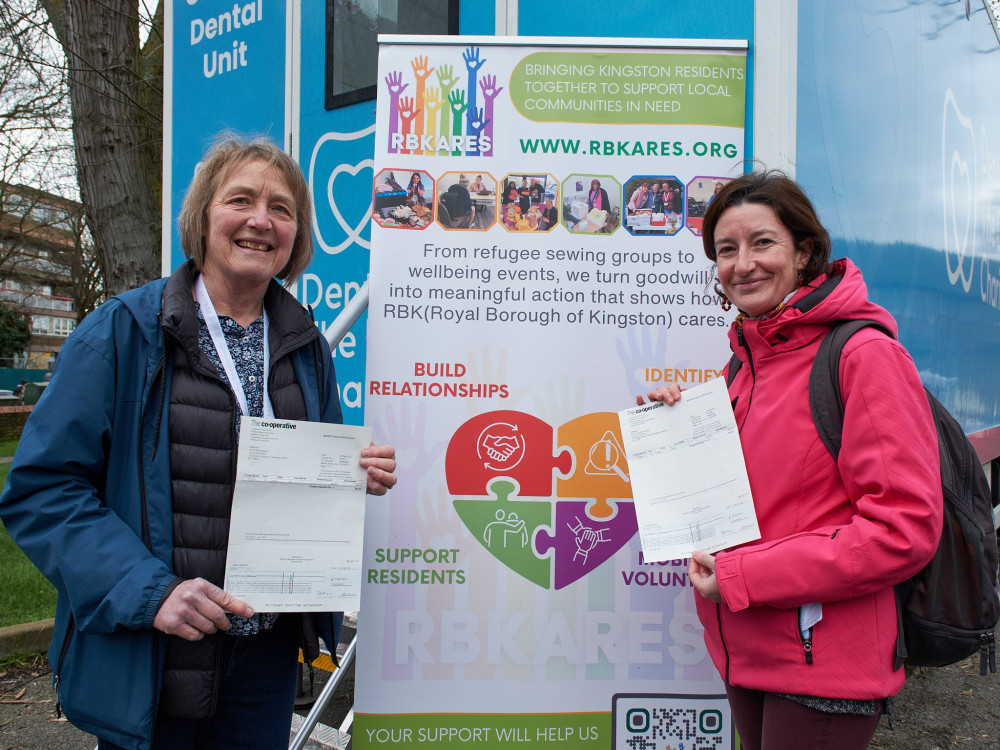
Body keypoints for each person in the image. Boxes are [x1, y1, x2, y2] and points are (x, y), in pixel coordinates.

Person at [0, 134, 398, 750]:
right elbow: (43, 490)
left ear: (295, 235)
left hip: (265, 660)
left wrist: (352, 475)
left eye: (282, 209)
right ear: (202, 217)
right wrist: (150, 592)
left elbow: (308, 486)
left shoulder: (306, 347)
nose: (261, 221)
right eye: (241, 199)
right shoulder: (124, 331)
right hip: (154, 653)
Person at [637, 171, 942, 750]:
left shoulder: (863, 355)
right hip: (748, 650)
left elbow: (903, 530)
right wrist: (675, 432)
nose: (743, 263)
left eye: (763, 243)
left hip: (821, 661)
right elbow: (749, 502)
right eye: (726, 250)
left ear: (804, 253)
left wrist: (742, 576)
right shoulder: (741, 369)